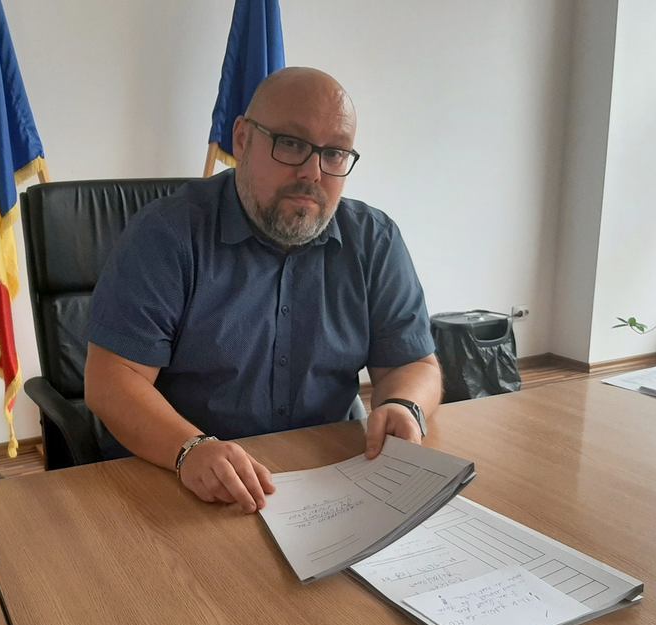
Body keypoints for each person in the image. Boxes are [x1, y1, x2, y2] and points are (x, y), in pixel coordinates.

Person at [85, 67, 441, 514]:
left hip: (327, 478)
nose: (312, 172)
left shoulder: (374, 239)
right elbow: (113, 379)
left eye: (334, 153)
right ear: (242, 140)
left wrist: (406, 406)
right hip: (178, 480)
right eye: (290, 144)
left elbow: (415, 363)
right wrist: (189, 448)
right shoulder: (168, 234)